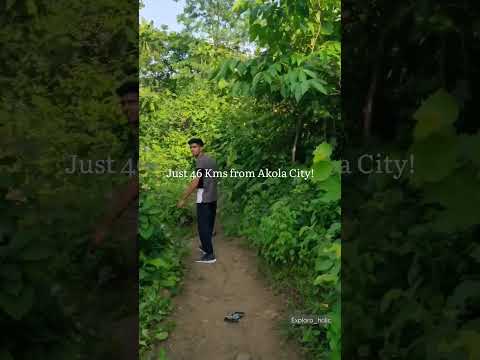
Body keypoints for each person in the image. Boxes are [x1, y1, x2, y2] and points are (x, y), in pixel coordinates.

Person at [177, 138, 218, 264]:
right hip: (213, 196)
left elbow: (196, 181)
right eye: (191, 147)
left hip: (204, 197)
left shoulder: (200, 161)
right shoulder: (211, 160)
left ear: (201, 148)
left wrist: (183, 198)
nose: (192, 149)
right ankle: (205, 247)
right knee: (209, 224)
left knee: (202, 227)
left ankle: (209, 255)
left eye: (194, 147)